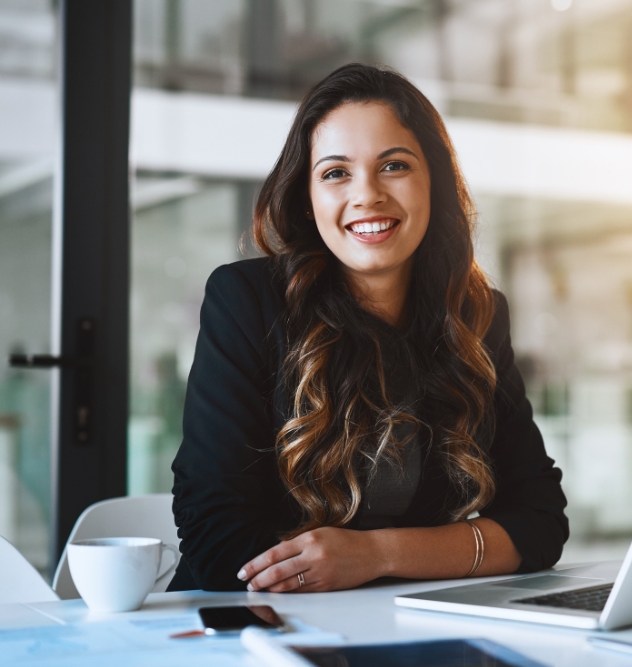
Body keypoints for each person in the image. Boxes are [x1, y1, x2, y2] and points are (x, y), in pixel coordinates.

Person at [168, 63, 568, 593]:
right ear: (308, 201)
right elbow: (218, 541)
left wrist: (376, 554)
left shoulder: (476, 314)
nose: (368, 195)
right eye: (336, 173)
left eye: (394, 166)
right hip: (254, 632)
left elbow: (539, 522)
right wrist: (439, 554)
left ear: (435, 184)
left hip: (408, 626)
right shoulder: (246, 301)